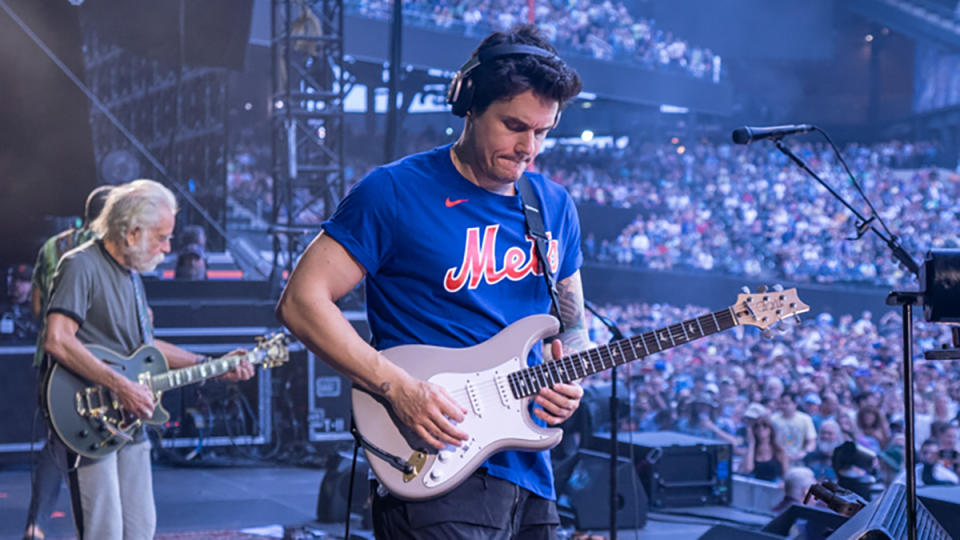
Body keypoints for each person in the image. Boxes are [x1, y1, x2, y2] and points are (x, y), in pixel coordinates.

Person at [276, 24, 587, 539]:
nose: (529, 147)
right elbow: (301, 302)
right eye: (514, 126)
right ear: (468, 104)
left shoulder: (553, 205)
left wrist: (569, 375)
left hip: (530, 472)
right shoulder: (393, 191)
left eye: (543, 131)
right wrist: (398, 388)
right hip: (433, 459)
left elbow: (570, 323)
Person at [43, 179, 255, 540]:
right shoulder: (80, 265)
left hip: (128, 420)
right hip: (87, 417)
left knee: (141, 529)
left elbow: (146, 348)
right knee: (103, 531)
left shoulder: (131, 275)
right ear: (131, 232)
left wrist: (214, 364)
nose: (167, 247)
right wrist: (121, 386)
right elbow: (58, 339)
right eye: (161, 236)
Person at [23, 185, 112, 540]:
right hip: (98, 360)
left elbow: (35, 307)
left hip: (50, 359)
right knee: (99, 442)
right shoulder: (109, 249)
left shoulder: (52, 245)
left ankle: (36, 523)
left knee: (56, 440)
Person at [771, 392, 817, 466]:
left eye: (786, 403)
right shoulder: (773, 419)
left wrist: (804, 453)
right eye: (781, 403)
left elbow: (811, 441)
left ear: (795, 404)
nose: (783, 406)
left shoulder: (805, 419)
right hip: (778, 458)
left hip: (798, 460)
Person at [740, 415, 789, 482]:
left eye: (764, 425)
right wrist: (752, 443)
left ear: (771, 430)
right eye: (757, 426)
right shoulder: (751, 451)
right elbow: (748, 470)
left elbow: (786, 475)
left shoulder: (779, 450)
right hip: (755, 489)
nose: (761, 428)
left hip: (774, 489)